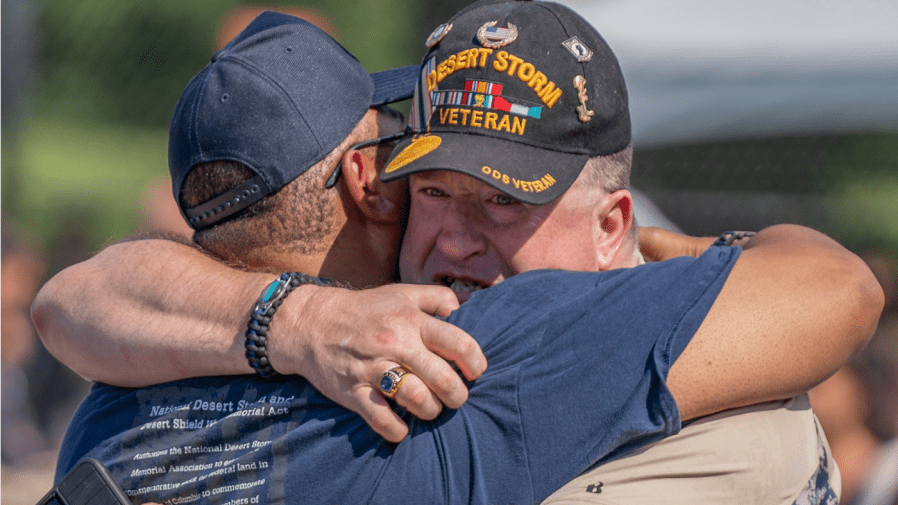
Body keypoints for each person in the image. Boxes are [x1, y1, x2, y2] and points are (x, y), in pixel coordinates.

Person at [34, 3, 881, 504]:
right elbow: (840, 287)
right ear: (372, 184)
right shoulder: (500, 344)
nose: (457, 237)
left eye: (506, 200)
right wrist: (667, 248)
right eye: (434, 191)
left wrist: (293, 318)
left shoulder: (119, 401)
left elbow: (74, 294)